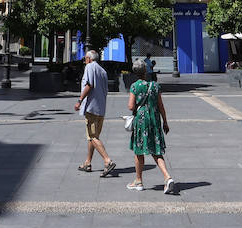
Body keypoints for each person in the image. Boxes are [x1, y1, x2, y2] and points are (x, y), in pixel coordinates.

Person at [126, 59, 175, 194]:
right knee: (156, 150)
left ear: (135, 72)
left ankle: (138, 181)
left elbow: (130, 106)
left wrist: (137, 106)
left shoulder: (135, 86)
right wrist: (165, 121)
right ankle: (167, 176)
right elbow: (161, 106)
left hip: (141, 121)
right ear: (146, 71)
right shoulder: (155, 86)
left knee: (139, 149)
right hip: (154, 119)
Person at [74, 50, 115, 177]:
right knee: (93, 136)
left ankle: (107, 161)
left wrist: (79, 101)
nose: (84, 60)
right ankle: (88, 162)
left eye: (85, 58)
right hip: (101, 108)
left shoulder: (89, 67)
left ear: (90, 59)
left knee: (92, 136)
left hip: (91, 107)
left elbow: (89, 85)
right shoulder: (103, 71)